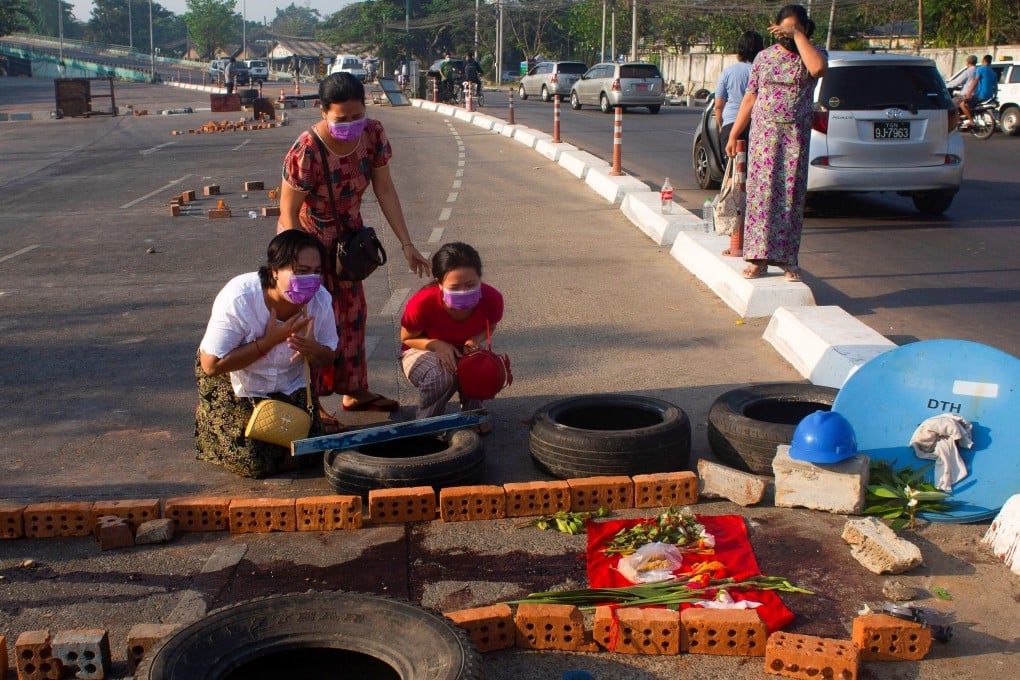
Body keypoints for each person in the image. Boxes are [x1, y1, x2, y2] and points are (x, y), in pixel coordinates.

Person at [279, 73, 431, 429]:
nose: (350, 124)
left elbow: (385, 190)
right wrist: (298, 266)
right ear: (323, 111)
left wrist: (407, 244)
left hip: (349, 244)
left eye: (356, 116)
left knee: (354, 315)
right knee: (315, 321)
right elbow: (287, 213)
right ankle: (312, 403)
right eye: (340, 119)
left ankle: (355, 390)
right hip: (308, 243)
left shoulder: (373, 134)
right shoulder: (306, 150)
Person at [196, 230, 338, 478]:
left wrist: (312, 349)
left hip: (288, 381)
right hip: (235, 380)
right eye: (301, 271)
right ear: (274, 271)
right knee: (254, 463)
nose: (311, 280)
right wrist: (269, 341)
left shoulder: (321, 300)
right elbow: (211, 364)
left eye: (317, 272)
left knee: (312, 453)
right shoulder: (240, 298)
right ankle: (211, 425)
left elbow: (327, 357)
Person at [726, 4, 827, 282]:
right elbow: (750, 97)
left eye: (794, 29)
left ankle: (787, 259)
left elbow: (818, 70)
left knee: (790, 198)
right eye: (783, 31)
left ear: (805, 29)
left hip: (795, 139)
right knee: (762, 198)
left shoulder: (812, 55)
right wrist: (735, 133)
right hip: (764, 139)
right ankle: (757, 260)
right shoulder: (764, 58)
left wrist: (797, 36)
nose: (787, 36)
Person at [399, 242, 504, 432]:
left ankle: (473, 415)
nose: (463, 291)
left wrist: (474, 340)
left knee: (478, 368)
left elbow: (491, 327)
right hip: (421, 350)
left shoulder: (492, 298)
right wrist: (437, 345)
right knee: (443, 375)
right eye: (455, 287)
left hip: (464, 350)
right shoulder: (422, 302)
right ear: (439, 283)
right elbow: (407, 338)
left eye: (471, 284)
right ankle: (426, 424)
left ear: (480, 278)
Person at [714, 31, 765, 155]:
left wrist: (722, 126)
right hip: (757, 127)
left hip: (731, 124)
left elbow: (718, 106)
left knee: (731, 169)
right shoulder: (765, 71)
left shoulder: (728, 72)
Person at [963, 54, 998, 129]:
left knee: (962, 104)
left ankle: (971, 121)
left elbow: (976, 80)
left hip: (981, 95)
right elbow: (995, 86)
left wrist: (969, 92)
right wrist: (995, 96)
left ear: (984, 61)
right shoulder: (993, 72)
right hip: (989, 96)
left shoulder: (980, 69)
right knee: (972, 104)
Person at [946, 54, 978, 126]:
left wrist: (946, 85)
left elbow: (957, 82)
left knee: (951, 103)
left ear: (967, 62)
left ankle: (958, 119)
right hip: (976, 94)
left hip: (966, 94)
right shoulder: (978, 70)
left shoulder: (968, 72)